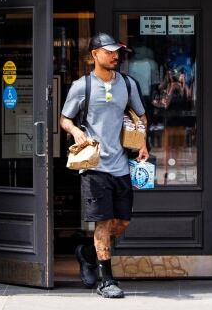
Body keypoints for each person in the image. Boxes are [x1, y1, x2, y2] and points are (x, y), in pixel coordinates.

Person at [60, 32, 149, 298]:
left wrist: (143, 143)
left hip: (122, 165)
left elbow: (141, 117)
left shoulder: (128, 84)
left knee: (121, 223)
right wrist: (75, 131)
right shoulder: (81, 86)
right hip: (94, 166)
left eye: (117, 52)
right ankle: (106, 280)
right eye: (109, 51)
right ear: (94, 55)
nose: (115, 56)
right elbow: (65, 119)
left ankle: (86, 254)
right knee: (102, 222)